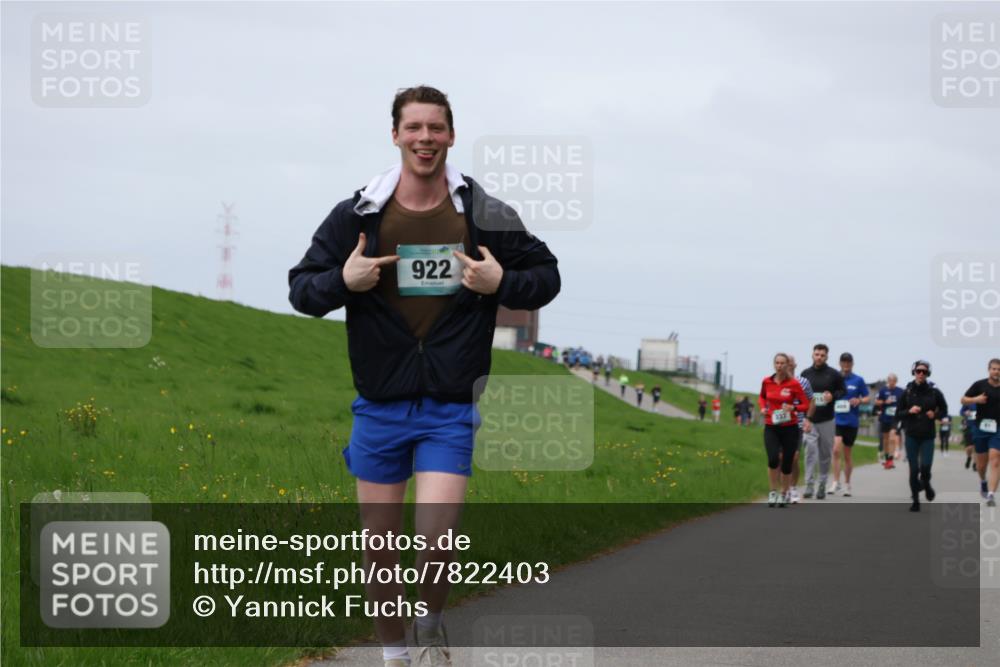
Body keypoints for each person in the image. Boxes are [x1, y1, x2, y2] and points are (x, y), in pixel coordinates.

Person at [287, 85, 560, 667]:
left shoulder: (484, 214)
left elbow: (547, 274)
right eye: (413, 128)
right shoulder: (357, 214)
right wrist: (344, 280)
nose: (425, 139)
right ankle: (394, 655)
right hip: (379, 406)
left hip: (448, 406)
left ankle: (430, 621)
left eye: (435, 128)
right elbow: (301, 291)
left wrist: (502, 285)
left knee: (435, 544)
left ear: (451, 136)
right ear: (395, 135)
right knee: (380, 552)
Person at [759, 353, 810, 507]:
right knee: (773, 459)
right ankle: (773, 492)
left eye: (782, 363)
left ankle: (784, 493)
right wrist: (763, 408)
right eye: (777, 363)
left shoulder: (794, 384)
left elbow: (806, 404)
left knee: (787, 463)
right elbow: (762, 397)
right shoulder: (767, 381)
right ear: (774, 364)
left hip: (790, 428)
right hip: (771, 426)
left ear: (788, 365)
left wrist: (793, 407)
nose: (779, 366)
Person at [896, 360, 948, 512]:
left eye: (924, 372)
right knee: (913, 470)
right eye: (918, 371)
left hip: (927, 435)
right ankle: (916, 501)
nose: (920, 374)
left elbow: (944, 410)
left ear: (928, 374)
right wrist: (909, 411)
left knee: (925, 468)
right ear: (914, 372)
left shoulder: (934, 391)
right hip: (911, 434)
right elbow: (898, 413)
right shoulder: (907, 392)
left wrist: (936, 414)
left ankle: (926, 484)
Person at [801, 343, 847, 499]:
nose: (819, 357)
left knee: (825, 454)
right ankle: (808, 484)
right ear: (812, 355)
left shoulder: (834, 374)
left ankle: (822, 484)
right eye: (816, 354)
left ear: (826, 356)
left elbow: (843, 391)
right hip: (810, 419)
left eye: (822, 355)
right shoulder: (805, 373)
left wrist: (832, 396)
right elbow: (800, 394)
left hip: (827, 419)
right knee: (809, 451)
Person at [961, 358, 1000, 506]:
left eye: (999, 369)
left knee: (995, 459)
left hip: (998, 429)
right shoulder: (979, 385)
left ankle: (991, 495)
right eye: (994, 369)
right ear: (989, 370)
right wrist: (976, 399)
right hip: (981, 427)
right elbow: (963, 400)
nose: (996, 372)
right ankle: (983, 481)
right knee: (981, 466)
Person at [830, 352, 870, 497]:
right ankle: (835, 482)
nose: (846, 365)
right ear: (840, 363)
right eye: (843, 362)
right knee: (835, 450)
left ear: (852, 364)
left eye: (848, 362)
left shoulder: (858, 380)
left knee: (847, 454)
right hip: (837, 420)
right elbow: (829, 395)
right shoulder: (835, 379)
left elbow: (867, 397)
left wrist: (859, 401)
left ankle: (847, 484)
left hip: (851, 422)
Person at [786, 354, 814, 504]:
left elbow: (812, 401)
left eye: (791, 363)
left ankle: (792, 488)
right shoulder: (774, 381)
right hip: (779, 425)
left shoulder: (803, 382)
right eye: (786, 363)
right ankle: (782, 489)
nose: (788, 365)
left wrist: (808, 419)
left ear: (795, 365)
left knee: (795, 457)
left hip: (797, 424)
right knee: (781, 459)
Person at [875, 374, 905, 470]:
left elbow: (905, 402)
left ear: (896, 381)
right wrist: (884, 402)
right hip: (885, 417)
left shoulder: (900, 391)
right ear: (888, 381)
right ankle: (887, 458)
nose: (892, 382)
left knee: (892, 437)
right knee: (885, 439)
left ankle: (891, 459)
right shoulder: (883, 390)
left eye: (893, 381)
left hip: (895, 418)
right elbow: (877, 402)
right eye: (890, 380)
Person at [961, 402, 978, 471]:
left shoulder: (983, 402)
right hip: (969, 427)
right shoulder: (968, 402)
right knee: (969, 447)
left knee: (975, 447)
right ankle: (969, 457)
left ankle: (975, 464)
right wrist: (965, 413)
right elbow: (961, 411)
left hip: (978, 427)